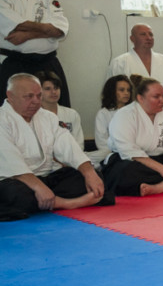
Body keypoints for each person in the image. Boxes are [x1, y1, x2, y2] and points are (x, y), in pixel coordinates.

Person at [1, 73, 109, 221]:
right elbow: (11, 162)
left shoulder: (48, 117)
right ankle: (65, 203)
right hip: (17, 180)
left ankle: (47, 201)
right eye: (29, 96)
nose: (35, 101)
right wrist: (38, 187)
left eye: (39, 96)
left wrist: (88, 171)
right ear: (10, 95)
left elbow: (67, 145)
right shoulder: (2, 119)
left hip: (47, 177)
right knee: (12, 193)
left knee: (92, 176)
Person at [0, 0, 70, 107]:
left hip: (47, 63)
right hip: (16, 64)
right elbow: (17, 26)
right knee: (16, 111)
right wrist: (46, 28)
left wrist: (27, 35)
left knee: (54, 109)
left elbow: (59, 30)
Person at [107, 24, 163, 108]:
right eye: (143, 34)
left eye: (151, 34)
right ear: (132, 39)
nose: (148, 38)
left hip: (162, 112)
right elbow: (111, 91)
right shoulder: (119, 62)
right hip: (131, 113)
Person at [89, 75, 133, 168]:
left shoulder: (134, 112)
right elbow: (101, 142)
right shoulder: (103, 113)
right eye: (122, 90)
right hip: (111, 151)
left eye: (128, 90)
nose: (126, 93)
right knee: (103, 153)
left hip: (132, 150)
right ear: (112, 92)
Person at [37, 70, 84, 150]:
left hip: (71, 158)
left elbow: (79, 144)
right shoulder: (34, 116)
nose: (53, 92)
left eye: (56, 88)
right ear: (38, 91)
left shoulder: (72, 114)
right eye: (48, 89)